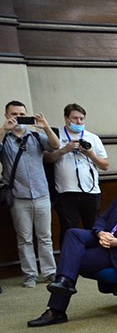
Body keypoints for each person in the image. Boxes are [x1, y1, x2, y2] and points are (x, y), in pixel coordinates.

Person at [28, 169, 117, 327]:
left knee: (71, 261)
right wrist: (100, 232)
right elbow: (102, 219)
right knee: (73, 233)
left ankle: (56, 310)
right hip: (102, 238)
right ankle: (65, 282)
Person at [2, 100, 60, 287]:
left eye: (22, 114)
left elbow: (55, 145)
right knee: (24, 238)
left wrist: (46, 127)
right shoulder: (5, 138)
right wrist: (3, 129)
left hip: (41, 194)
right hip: (18, 196)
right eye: (14, 114)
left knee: (45, 236)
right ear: (7, 115)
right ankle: (30, 275)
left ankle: (49, 272)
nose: (18, 117)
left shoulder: (35, 136)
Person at [47, 103, 109, 234]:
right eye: (75, 118)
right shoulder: (56, 135)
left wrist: (90, 154)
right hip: (66, 191)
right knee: (69, 230)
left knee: (93, 228)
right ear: (66, 118)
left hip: (91, 191)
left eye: (81, 118)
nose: (79, 122)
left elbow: (105, 165)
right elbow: (47, 159)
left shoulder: (92, 138)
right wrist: (65, 150)